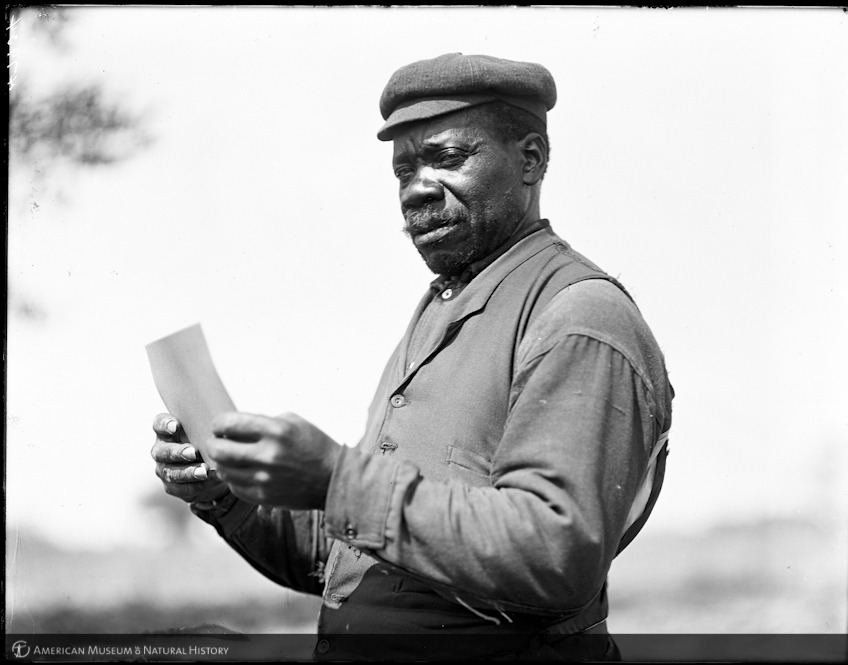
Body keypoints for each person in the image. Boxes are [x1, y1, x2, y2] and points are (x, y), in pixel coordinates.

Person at [151, 53, 674, 660]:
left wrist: (336, 479)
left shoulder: (577, 315)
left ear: (531, 160)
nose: (418, 187)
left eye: (448, 157)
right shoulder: (445, 306)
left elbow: (554, 555)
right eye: (403, 170)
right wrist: (228, 492)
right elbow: (352, 560)